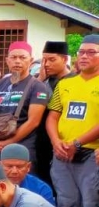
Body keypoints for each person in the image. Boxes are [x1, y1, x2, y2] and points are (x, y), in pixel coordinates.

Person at [46, 34, 99, 207]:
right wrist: (56, 141)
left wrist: (76, 143)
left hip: (90, 153)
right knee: (67, 203)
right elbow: (53, 116)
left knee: (92, 204)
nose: (84, 56)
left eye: (91, 52)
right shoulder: (65, 84)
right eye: (82, 52)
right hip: (62, 155)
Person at [0, 42, 51, 163]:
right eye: (13, 57)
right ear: (7, 60)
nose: (17, 61)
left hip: (23, 145)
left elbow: (33, 122)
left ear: (30, 60)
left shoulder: (37, 87)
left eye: (22, 57)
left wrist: (8, 143)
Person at [36, 40, 73, 188]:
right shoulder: (42, 81)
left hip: (64, 140)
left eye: (52, 60)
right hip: (41, 140)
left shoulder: (75, 81)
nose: (46, 64)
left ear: (64, 59)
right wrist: (39, 80)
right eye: (44, 59)